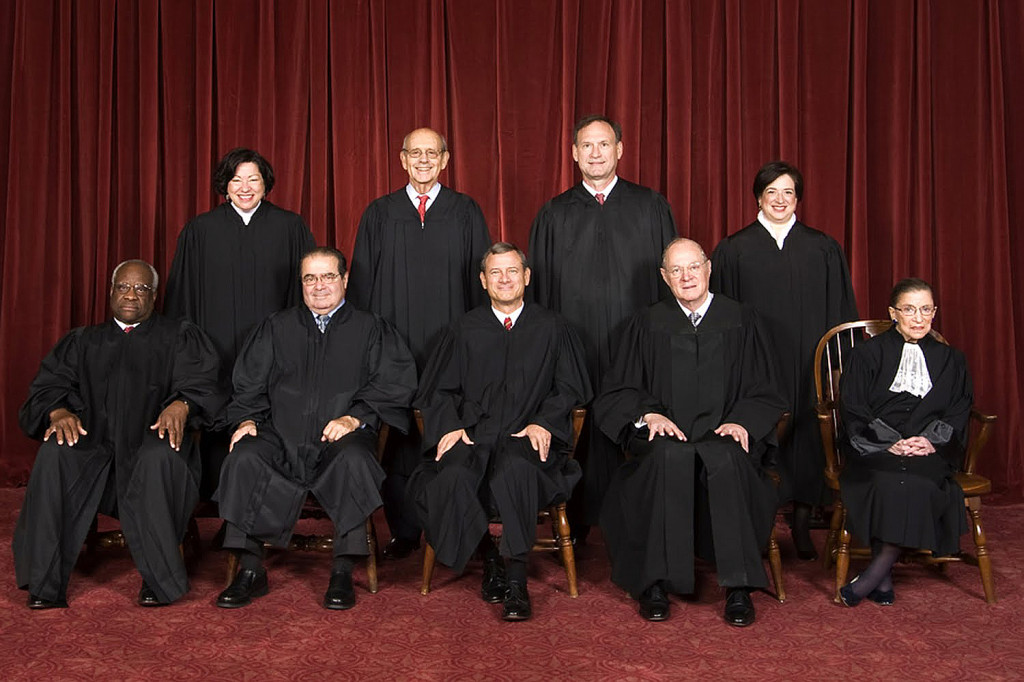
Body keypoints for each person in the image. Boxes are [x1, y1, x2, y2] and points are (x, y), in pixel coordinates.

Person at [596, 238, 785, 626]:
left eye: (693, 267)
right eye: (677, 270)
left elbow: (766, 388)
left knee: (728, 457)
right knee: (665, 457)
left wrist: (742, 421)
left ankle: (738, 587)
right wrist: (647, 415)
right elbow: (619, 389)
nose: (687, 277)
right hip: (668, 434)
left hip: (724, 432)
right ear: (664, 277)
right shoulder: (646, 323)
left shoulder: (741, 319)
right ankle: (654, 583)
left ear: (708, 268)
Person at [13, 260, 224, 609]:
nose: (131, 294)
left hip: (152, 441)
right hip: (92, 445)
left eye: (141, 289)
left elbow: (204, 386)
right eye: (124, 287)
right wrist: (58, 411)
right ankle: (44, 581)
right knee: (56, 452)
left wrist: (183, 404)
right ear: (111, 292)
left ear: (154, 296)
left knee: (159, 456)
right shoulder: (82, 341)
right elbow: (45, 389)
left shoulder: (179, 337)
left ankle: (158, 578)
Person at [215, 247, 417, 610]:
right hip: (279, 434)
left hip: (341, 437)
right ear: (301, 284)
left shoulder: (371, 329)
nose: (319, 286)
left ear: (344, 280)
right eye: (310, 278)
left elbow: (393, 383)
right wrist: (246, 420)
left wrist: (354, 418)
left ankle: (342, 570)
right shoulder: (276, 327)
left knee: (355, 459)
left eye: (327, 277)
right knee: (244, 456)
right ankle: (249, 569)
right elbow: (248, 385)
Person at [409, 243, 592, 621]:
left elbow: (571, 389)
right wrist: (451, 426)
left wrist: (544, 421)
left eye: (512, 271)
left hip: (527, 437)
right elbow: (435, 391)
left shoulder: (553, 328)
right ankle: (488, 555)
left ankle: (516, 579)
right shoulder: (463, 329)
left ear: (526, 277)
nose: (505, 279)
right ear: (483, 280)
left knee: (516, 471)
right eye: (496, 273)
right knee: (455, 474)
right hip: (475, 436)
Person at [529, 114, 677, 534]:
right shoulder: (554, 214)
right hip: (575, 343)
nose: (596, 153)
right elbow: (538, 295)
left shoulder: (650, 206)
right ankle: (573, 516)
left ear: (620, 150)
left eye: (604, 144)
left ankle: (636, 519)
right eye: (587, 146)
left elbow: (672, 283)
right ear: (575, 154)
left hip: (636, 345)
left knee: (634, 416)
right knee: (578, 422)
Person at [348, 127, 491, 560]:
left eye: (433, 153)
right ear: (402, 159)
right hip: (394, 347)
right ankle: (405, 530)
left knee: (450, 431)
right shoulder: (379, 213)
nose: (424, 160)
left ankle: (455, 530)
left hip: (450, 348)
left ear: (446, 160)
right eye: (415, 153)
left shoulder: (466, 212)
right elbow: (363, 289)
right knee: (399, 436)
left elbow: (481, 286)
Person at [710, 161, 857, 560]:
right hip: (756, 366)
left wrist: (838, 368)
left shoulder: (823, 247)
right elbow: (720, 314)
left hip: (811, 361)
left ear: (798, 199)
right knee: (761, 435)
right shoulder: (734, 249)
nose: (780, 200)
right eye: (771, 192)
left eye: (788, 192)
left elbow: (841, 310)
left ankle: (803, 521)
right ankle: (759, 521)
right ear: (758, 197)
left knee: (810, 437)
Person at [165, 148, 316, 500]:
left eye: (253, 179)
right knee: (218, 408)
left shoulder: (290, 227)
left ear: (266, 184)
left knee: (269, 413)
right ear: (225, 185)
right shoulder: (200, 231)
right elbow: (182, 298)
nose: (245, 187)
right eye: (236, 180)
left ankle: (277, 495)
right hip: (214, 347)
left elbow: (307, 293)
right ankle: (219, 501)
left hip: (275, 349)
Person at [837, 278, 971, 607]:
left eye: (926, 310)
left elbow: (959, 409)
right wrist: (887, 441)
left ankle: (873, 576)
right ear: (893, 313)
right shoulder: (866, 354)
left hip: (929, 449)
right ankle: (880, 577)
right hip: (874, 446)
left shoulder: (952, 360)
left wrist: (929, 441)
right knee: (887, 479)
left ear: (934, 312)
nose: (918, 318)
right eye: (909, 310)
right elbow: (853, 406)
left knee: (916, 480)